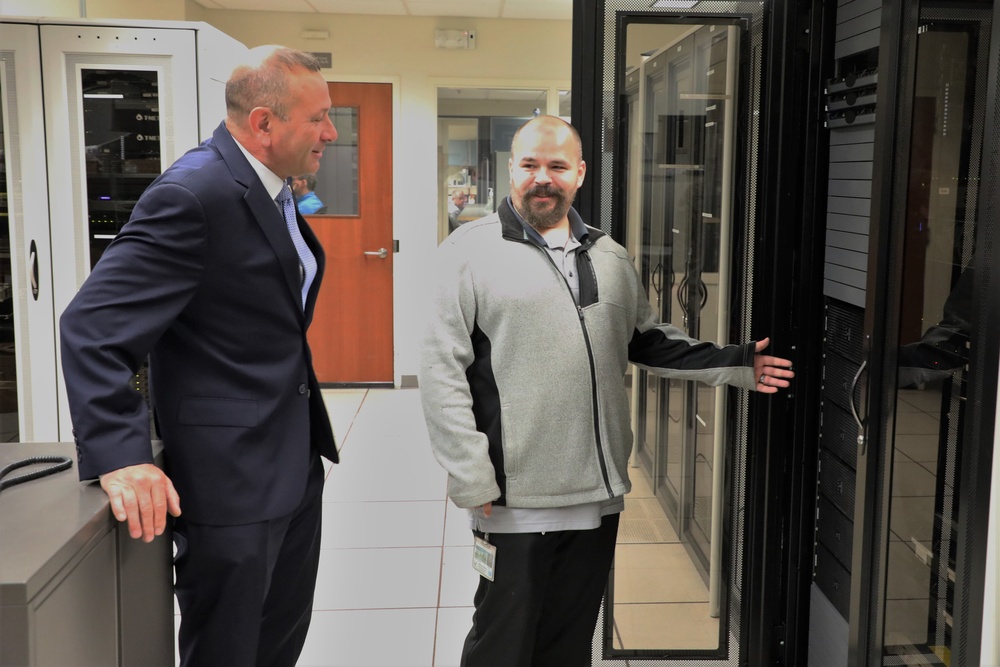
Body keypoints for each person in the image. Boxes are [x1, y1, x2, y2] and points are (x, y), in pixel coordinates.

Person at [417, 115, 794, 665]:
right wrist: (471, 472)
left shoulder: (608, 255)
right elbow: (441, 372)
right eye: (529, 165)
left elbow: (646, 340)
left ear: (580, 174)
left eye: (557, 166)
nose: (542, 178)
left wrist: (736, 364)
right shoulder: (467, 253)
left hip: (595, 493)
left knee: (568, 639)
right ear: (511, 170)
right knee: (502, 638)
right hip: (512, 495)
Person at [59, 46, 339, 667]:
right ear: (263, 124)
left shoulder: (275, 188)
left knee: (276, 645)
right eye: (318, 117)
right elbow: (92, 326)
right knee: (228, 652)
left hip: (289, 462)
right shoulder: (194, 194)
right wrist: (120, 455)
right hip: (230, 483)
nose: (331, 131)